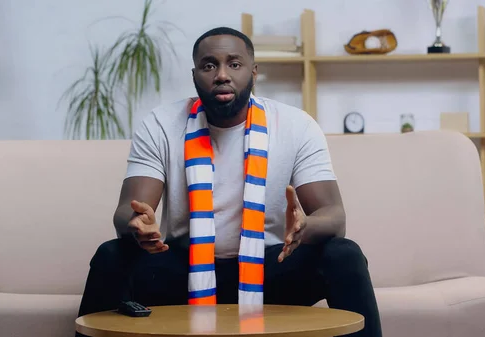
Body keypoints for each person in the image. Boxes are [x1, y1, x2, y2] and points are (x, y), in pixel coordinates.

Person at [76, 27, 382, 337]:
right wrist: (137, 224)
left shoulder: (295, 125)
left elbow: (334, 215)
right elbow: (125, 213)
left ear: (254, 72)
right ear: (195, 75)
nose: (222, 74)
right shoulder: (161, 124)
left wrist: (306, 228)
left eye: (234, 64)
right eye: (209, 65)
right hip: (185, 271)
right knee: (111, 255)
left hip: (270, 268)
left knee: (344, 255)